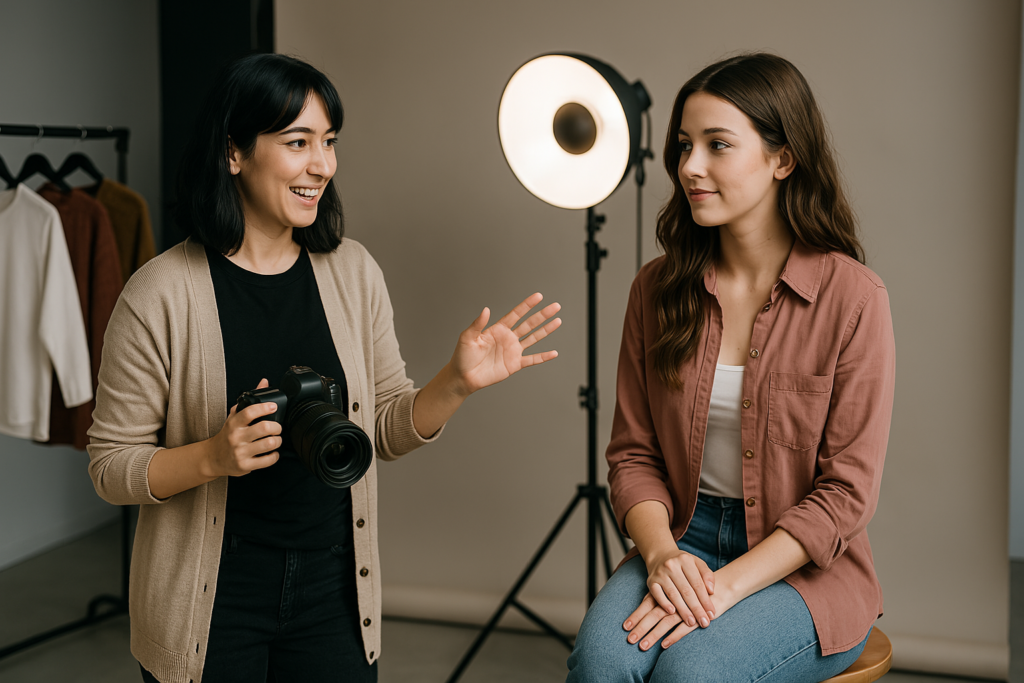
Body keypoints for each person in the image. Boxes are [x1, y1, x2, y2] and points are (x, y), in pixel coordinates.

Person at [86, 53, 561, 683]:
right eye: (298, 141)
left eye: (329, 142)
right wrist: (213, 457)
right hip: (213, 596)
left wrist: (456, 381)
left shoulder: (352, 272)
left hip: (335, 590)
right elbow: (110, 465)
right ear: (234, 152)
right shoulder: (160, 294)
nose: (323, 165)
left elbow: (385, 430)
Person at [566, 52, 895, 682]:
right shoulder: (656, 290)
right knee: (600, 665)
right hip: (682, 539)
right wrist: (662, 556)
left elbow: (847, 493)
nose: (690, 166)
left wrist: (726, 587)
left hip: (804, 568)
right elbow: (633, 455)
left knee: (692, 673)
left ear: (782, 158)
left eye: (718, 145)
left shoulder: (854, 300)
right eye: (685, 145)